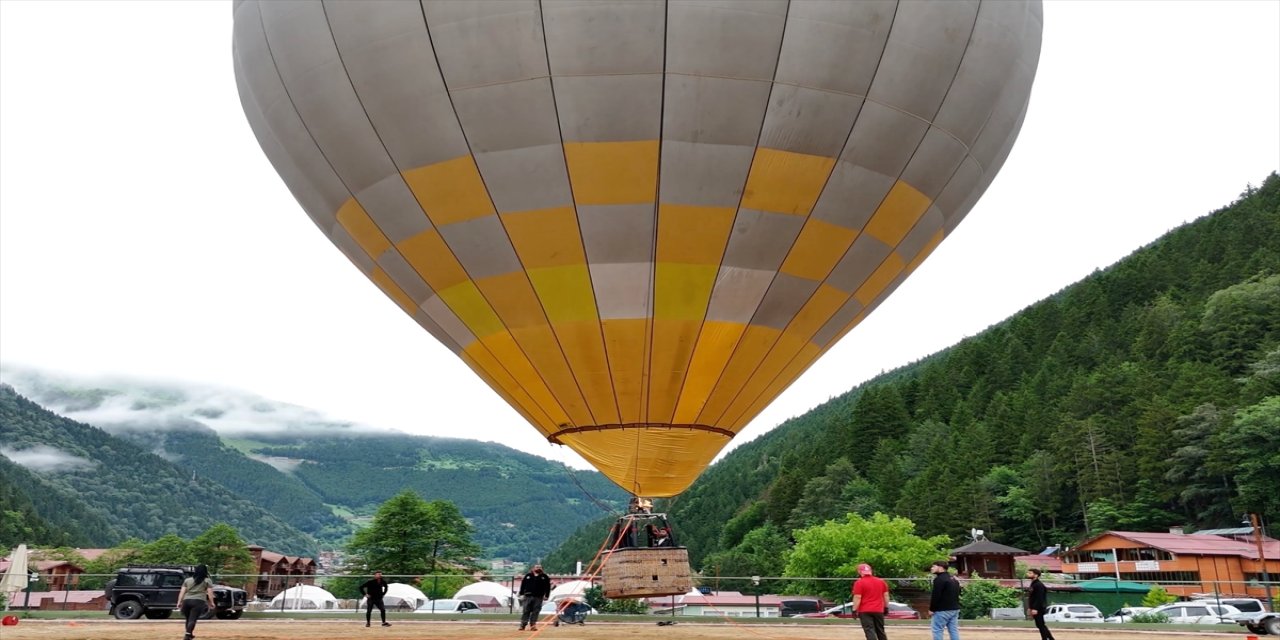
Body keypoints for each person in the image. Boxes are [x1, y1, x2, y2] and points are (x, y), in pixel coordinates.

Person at [174, 564, 215, 640]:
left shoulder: (187, 580)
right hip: (198, 601)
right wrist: (212, 602)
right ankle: (188, 634)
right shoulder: (207, 580)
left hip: (186, 600)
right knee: (193, 619)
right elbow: (210, 593)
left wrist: (179, 602)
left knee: (188, 619)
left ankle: (189, 634)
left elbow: (182, 592)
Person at [851, 563, 890, 640]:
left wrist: (854, 609)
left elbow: (857, 597)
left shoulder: (859, 583)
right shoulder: (881, 582)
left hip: (865, 610)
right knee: (880, 630)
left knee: (869, 630)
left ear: (859, 572)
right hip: (878, 610)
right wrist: (886, 607)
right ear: (870, 571)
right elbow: (886, 595)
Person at [928, 561, 961, 640]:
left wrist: (932, 609)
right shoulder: (953, 578)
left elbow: (936, 595)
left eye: (934, 566)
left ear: (940, 567)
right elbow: (958, 592)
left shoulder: (939, 579)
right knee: (953, 630)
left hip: (942, 610)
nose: (931, 568)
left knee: (937, 630)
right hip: (954, 609)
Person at [517, 564, 551, 631]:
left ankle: (533, 625)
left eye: (540, 567)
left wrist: (547, 595)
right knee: (526, 611)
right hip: (527, 596)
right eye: (537, 567)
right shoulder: (528, 576)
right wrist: (521, 593)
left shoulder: (544, 577)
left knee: (536, 611)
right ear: (533, 568)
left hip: (538, 597)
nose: (538, 568)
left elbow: (548, 587)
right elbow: (523, 585)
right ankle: (523, 625)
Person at [1026, 568, 1055, 640]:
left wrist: (1035, 608)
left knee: (1041, 624)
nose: (1028, 574)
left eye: (1030, 573)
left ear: (1036, 575)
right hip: (1035, 608)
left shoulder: (1039, 585)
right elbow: (1032, 597)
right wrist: (1030, 607)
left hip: (1039, 608)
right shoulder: (1033, 584)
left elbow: (1040, 598)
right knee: (1040, 625)